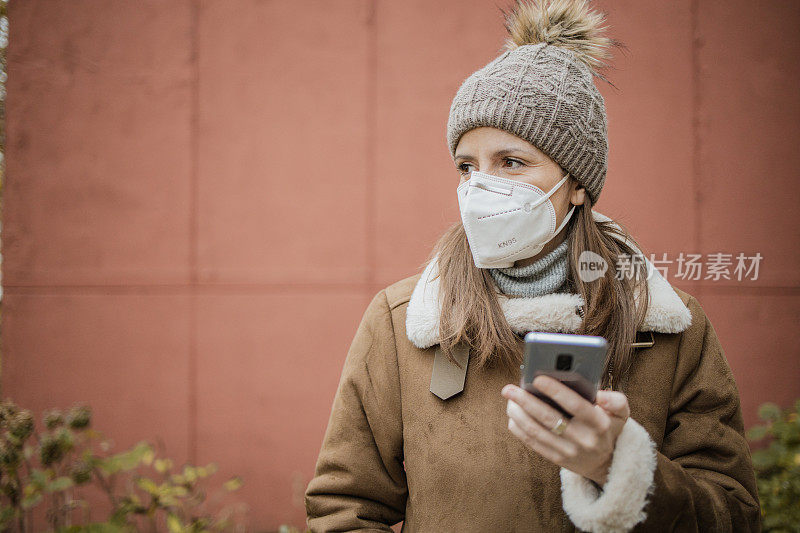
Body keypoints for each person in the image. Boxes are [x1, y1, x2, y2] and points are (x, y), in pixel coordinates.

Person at [304, 0, 761, 531]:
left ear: (578, 185)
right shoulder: (403, 321)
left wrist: (622, 468)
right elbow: (344, 509)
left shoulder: (666, 326)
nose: (480, 188)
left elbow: (734, 515)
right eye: (467, 166)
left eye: (512, 162)